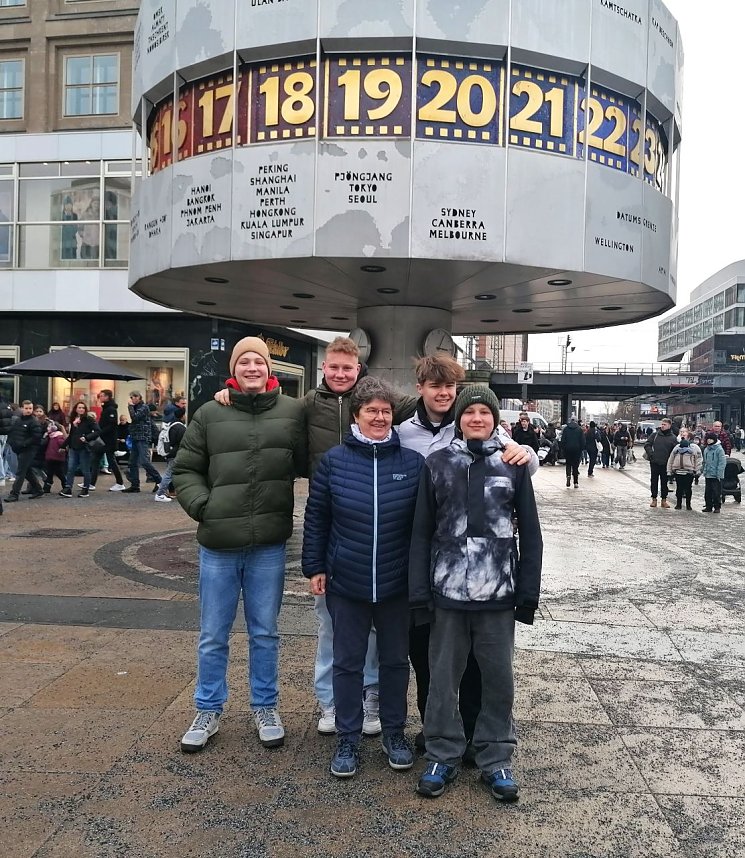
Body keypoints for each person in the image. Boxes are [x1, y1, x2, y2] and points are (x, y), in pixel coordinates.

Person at [216, 336, 416, 737]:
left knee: (377, 631)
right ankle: (329, 701)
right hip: (334, 520)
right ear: (324, 368)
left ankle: (370, 696)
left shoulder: (375, 399)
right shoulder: (307, 404)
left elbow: (430, 404)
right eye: (334, 367)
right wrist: (231, 393)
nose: (341, 374)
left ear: (359, 369)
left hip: (375, 525)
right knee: (330, 625)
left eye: (349, 368)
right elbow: (268, 411)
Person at [396, 357, 537, 754]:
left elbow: (530, 526)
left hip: (495, 590)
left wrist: (522, 449)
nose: (475, 416)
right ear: (421, 388)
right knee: (434, 668)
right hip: (444, 584)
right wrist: (419, 589)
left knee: (490, 673)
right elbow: (421, 528)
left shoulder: (509, 460)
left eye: (483, 411)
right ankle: (439, 740)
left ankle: (485, 742)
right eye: (469, 411)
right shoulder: (415, 444)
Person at [174, 337, 307, 753]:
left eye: (260, 362)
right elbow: (186, 469)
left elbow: (317, 445)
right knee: (213, 633)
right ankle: (208, 708)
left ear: (271, 369)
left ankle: (265, 706)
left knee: (265, 632)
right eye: (245, 361)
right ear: (235, 369)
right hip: (218, 543)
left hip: (268, 543)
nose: (253, 367)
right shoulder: (211, 412)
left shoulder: (291, 412)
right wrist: (204, 507)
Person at [303, 377, 423, 778]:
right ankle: (348, 739)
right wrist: (315, 566)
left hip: (395, 584)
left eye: (385, 411)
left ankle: (394, 733)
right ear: (356, 415)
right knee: (347, 663)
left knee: (393, 662)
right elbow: (317, 517)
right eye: (371, 410)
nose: (379, 417)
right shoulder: (335, 461)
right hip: (346, 582)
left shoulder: (411, 463)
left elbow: (422, 526)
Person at [4, 400, 44, 502]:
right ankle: (39, 489)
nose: (28, 410)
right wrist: (13, 444)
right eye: (26, 408)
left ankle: (14, 494)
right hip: (19, 449)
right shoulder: (18, 420)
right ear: (22, 408)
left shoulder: (34, 421)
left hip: (29, 449)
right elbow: (13, 432)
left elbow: (36, 437)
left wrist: (24, 444)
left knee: (20, 472)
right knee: (26, 471)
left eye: (30, 408)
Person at [59, 402, 100, 498]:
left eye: (83, 408)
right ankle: (68, 488)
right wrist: (63, 446)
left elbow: (98, 431)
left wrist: (87, 437)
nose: (81, 409)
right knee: (70, 469)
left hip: (84, 448)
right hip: (74, 447)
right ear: (76, 409)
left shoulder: (89, 420)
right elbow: (71, 435)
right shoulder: (74, 420)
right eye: (79, 407)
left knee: (85, 469)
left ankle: (85, 489)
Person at [87, 389, 126, 492]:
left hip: (108, 440)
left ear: (108, 397)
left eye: (102, 395)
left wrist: (99, 432)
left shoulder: (111, 409)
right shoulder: (106, 408)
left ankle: (120, 483)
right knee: (95, 459)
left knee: (111, 461)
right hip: (103, 440)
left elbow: (111, 425)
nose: (100, 397)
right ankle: (91, 483)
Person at [123, 391, 161, 493]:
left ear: (140, 397)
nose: (133, 399)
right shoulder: (137, 407)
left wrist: (130, 407)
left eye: (135, 397)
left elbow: (134, 417)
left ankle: (160, 481)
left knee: (144, 461)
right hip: (136, 437)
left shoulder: (144, 407)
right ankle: (135, 485)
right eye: (131, 397)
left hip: (142, 437)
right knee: (132, 462)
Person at [154, 407, 186, 502]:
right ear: (182, 416)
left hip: (170, 453)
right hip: (176, 454)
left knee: (171, 473)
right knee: (169, 474)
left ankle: (166, 490)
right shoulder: (180, 428)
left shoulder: (172, 425)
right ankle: (160, 493)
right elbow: (182, 442)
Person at [644, 418, 677, 509]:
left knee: (664, 482)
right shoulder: (655, 435)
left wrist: (671, 460)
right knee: (654, 481)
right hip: (654, 462)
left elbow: (675, 451)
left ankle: (664, 500)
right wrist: (651, 454)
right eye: (662, 424)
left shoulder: (673, 438)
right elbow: (647, 444)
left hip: (666, 463)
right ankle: (654, 499)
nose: (662, 426)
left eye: (664, 424)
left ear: (669, 426)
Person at [666, 429, 702, 511]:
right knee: (679, 488)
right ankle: (678, 504)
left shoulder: (694, 448)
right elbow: (671, 459)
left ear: (689, 437)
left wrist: (697, 470)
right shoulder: (676, 448)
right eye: (681, 435)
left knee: (688, 488)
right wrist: (669, 470)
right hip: (678, 471)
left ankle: (688, 505)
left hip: (689, 472)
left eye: (684, 435)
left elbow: (698, 459)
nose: (683, 437)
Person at [701, 431, 726, 513]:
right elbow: (704, 462)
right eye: (708, 439)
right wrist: (703, 471)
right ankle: (708, 506)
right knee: (707, 492)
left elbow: (722, 463)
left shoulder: (719, 449)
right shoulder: (706, 450)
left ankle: (717, 507)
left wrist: (719, 474)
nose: (709, 441)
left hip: (716, 475)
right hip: (708, 474)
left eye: (710, 439)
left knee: (716, 492)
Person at [43, 421, 67, 493]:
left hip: (57, 458)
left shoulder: (58, 436)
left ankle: (65, 484)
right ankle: (47, 487)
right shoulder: (49, 436)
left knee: (59, 472)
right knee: (49, 473)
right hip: (50, 457)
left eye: (50, 427)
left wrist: (62, 448)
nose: (48, 428)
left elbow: (63, 444)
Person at [560, 416, 583, 487]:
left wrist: (564, 449)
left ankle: (568, 476)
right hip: (576, 450)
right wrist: (580, 449)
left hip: (568, 450)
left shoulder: (566, 429)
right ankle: (575, 482)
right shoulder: (579, 429)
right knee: (575, 466)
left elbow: (563, 440)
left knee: (568, 464)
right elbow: (582, 441)